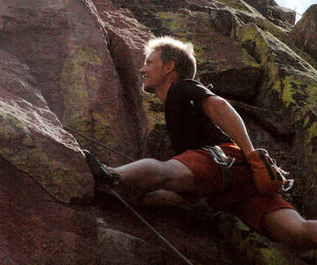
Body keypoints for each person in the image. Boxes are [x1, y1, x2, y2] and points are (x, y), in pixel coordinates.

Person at [85, 36, 317, 249]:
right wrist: (140, 198)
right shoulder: (178, 109)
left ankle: (110, 174)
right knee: (298, 232)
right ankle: (117, 182)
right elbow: (184, 191)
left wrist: (251, 153)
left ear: (169, 67)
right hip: (240, 186)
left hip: (224, 159)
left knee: (165, 169)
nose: (142, 69)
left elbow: (220, 107)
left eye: (149, 62)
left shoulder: (182, 88)